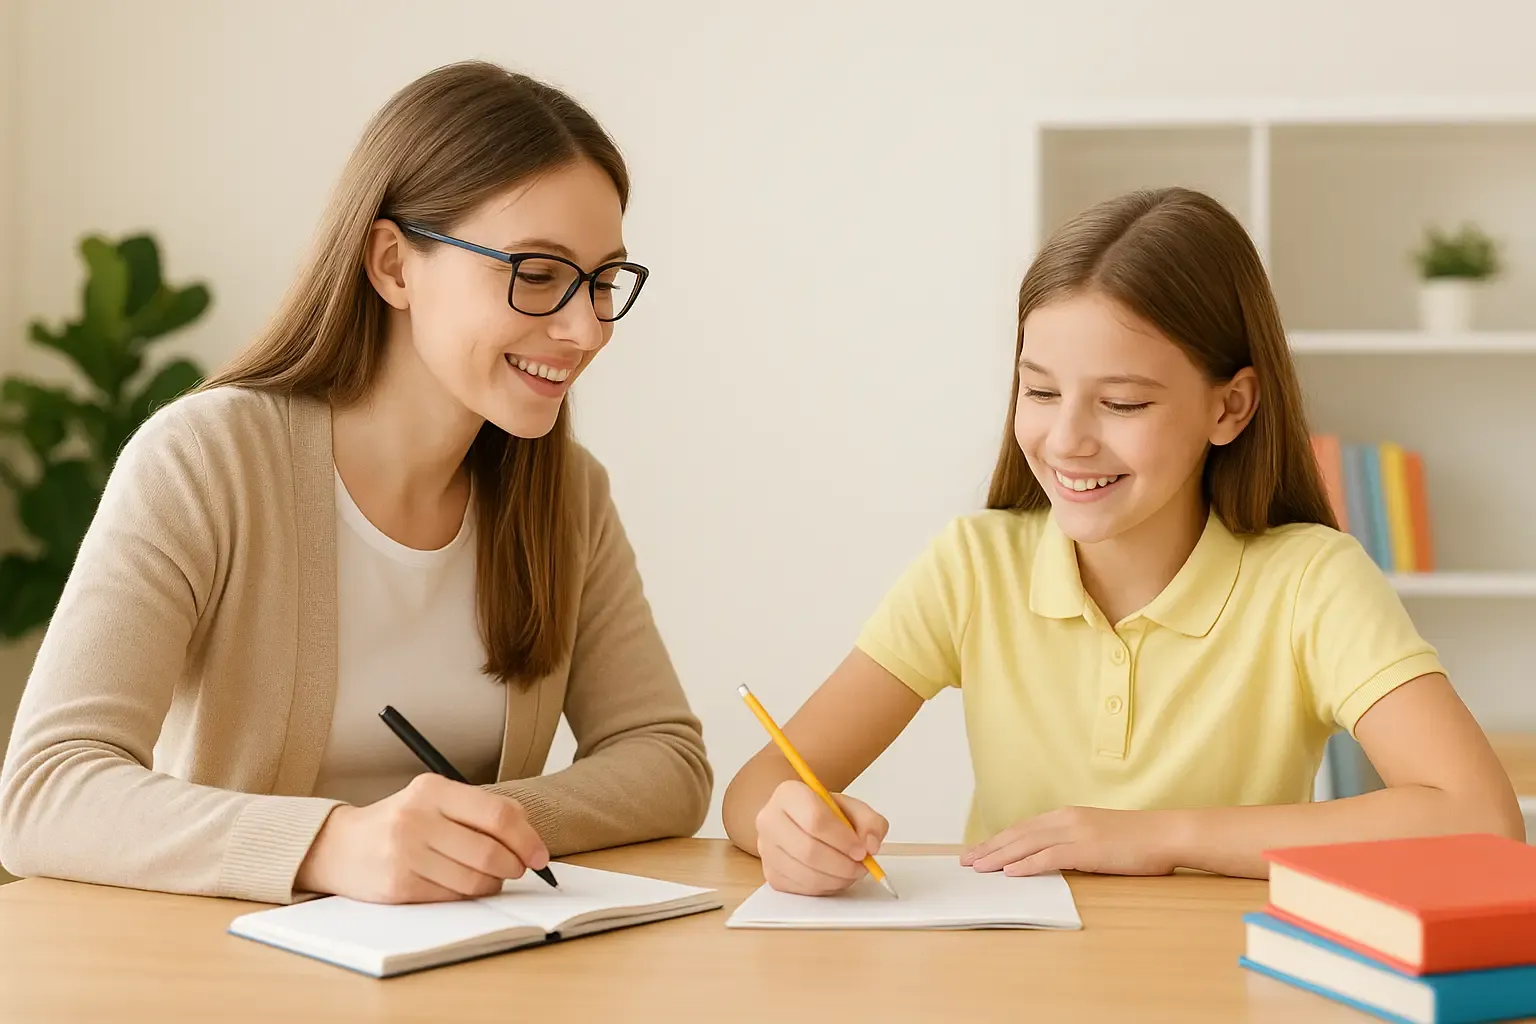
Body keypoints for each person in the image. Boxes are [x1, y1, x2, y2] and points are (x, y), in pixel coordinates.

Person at [0, 61, 711, 905]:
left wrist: (471, 827)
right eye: (537, 272)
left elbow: (665, 758)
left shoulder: (565, 494)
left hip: (463, 962)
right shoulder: (208, 461)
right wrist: (332, 843)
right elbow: (45, 790)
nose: (585, 327)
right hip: (223, 971)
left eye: (602, 282)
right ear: (393, 265)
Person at [721, 186, 1522, 896]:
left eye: (1124, 404)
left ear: (1230, 408)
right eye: (1039, 390)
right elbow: (757, 788)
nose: (1066, 441)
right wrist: (785, 829)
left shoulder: (1311, 581)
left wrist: (1158, 836)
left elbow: (1482, 821)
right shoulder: (973, 567)